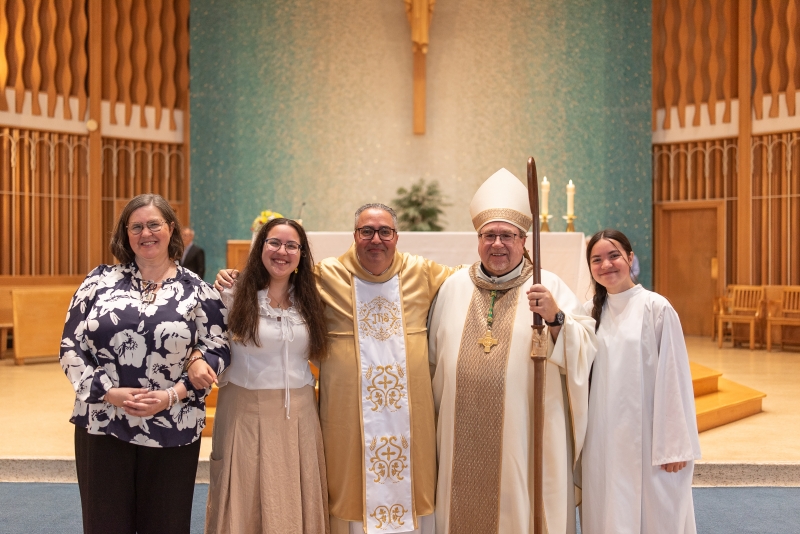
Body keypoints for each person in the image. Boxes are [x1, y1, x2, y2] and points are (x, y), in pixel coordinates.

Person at [217, 204, 458, 534]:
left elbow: (469, 280)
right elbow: (275, 283)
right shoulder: (325, 276)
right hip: (346, 419)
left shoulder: (423, 273)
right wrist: (235, 276)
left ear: (396, 237)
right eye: (367, 231)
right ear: (355, 235)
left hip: (407, 420)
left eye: (384, 232)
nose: (376, 239)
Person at [428, 168, 597, 534]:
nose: (497, 244)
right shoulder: (453, 287)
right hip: (459, 437)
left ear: (524, 241)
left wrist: (555, 318)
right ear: (477, 240)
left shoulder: (547, 286)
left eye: (507, 235)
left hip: (527, 437)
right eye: (489, 235)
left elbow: (586, 347)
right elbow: (430, 360)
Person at [59, 193, 230, 534]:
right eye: (136, 226)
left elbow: (219, 350)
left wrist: (174, 393)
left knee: (165, 524)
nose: (145, 233)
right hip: (103, 421)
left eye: (154, 224)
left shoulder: (197, 290)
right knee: (105, 523)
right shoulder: (98, 281)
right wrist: (109, 393)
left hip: (172, 422)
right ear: (125, 234)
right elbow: (70, 346)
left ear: (171, 230)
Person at [205, 218, 330, 533]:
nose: (282, 251)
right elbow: (206, 343)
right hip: (244, 411)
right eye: (274, 242)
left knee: (292, 493)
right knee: (245, 496)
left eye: (292, 245)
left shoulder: (311, 299)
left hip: (299, 413)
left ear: (301, 254)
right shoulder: (232, 293)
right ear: (260, 246)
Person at [580, 229, 700, 534]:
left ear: (630, 258)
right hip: (603, 436)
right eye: (597, 259)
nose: (606, 264)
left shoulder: (657, 308)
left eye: (613, 256)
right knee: (608, 507)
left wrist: (674, 446)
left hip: (648, 437)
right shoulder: (587, 313)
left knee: (656, 512)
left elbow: (675, 379)